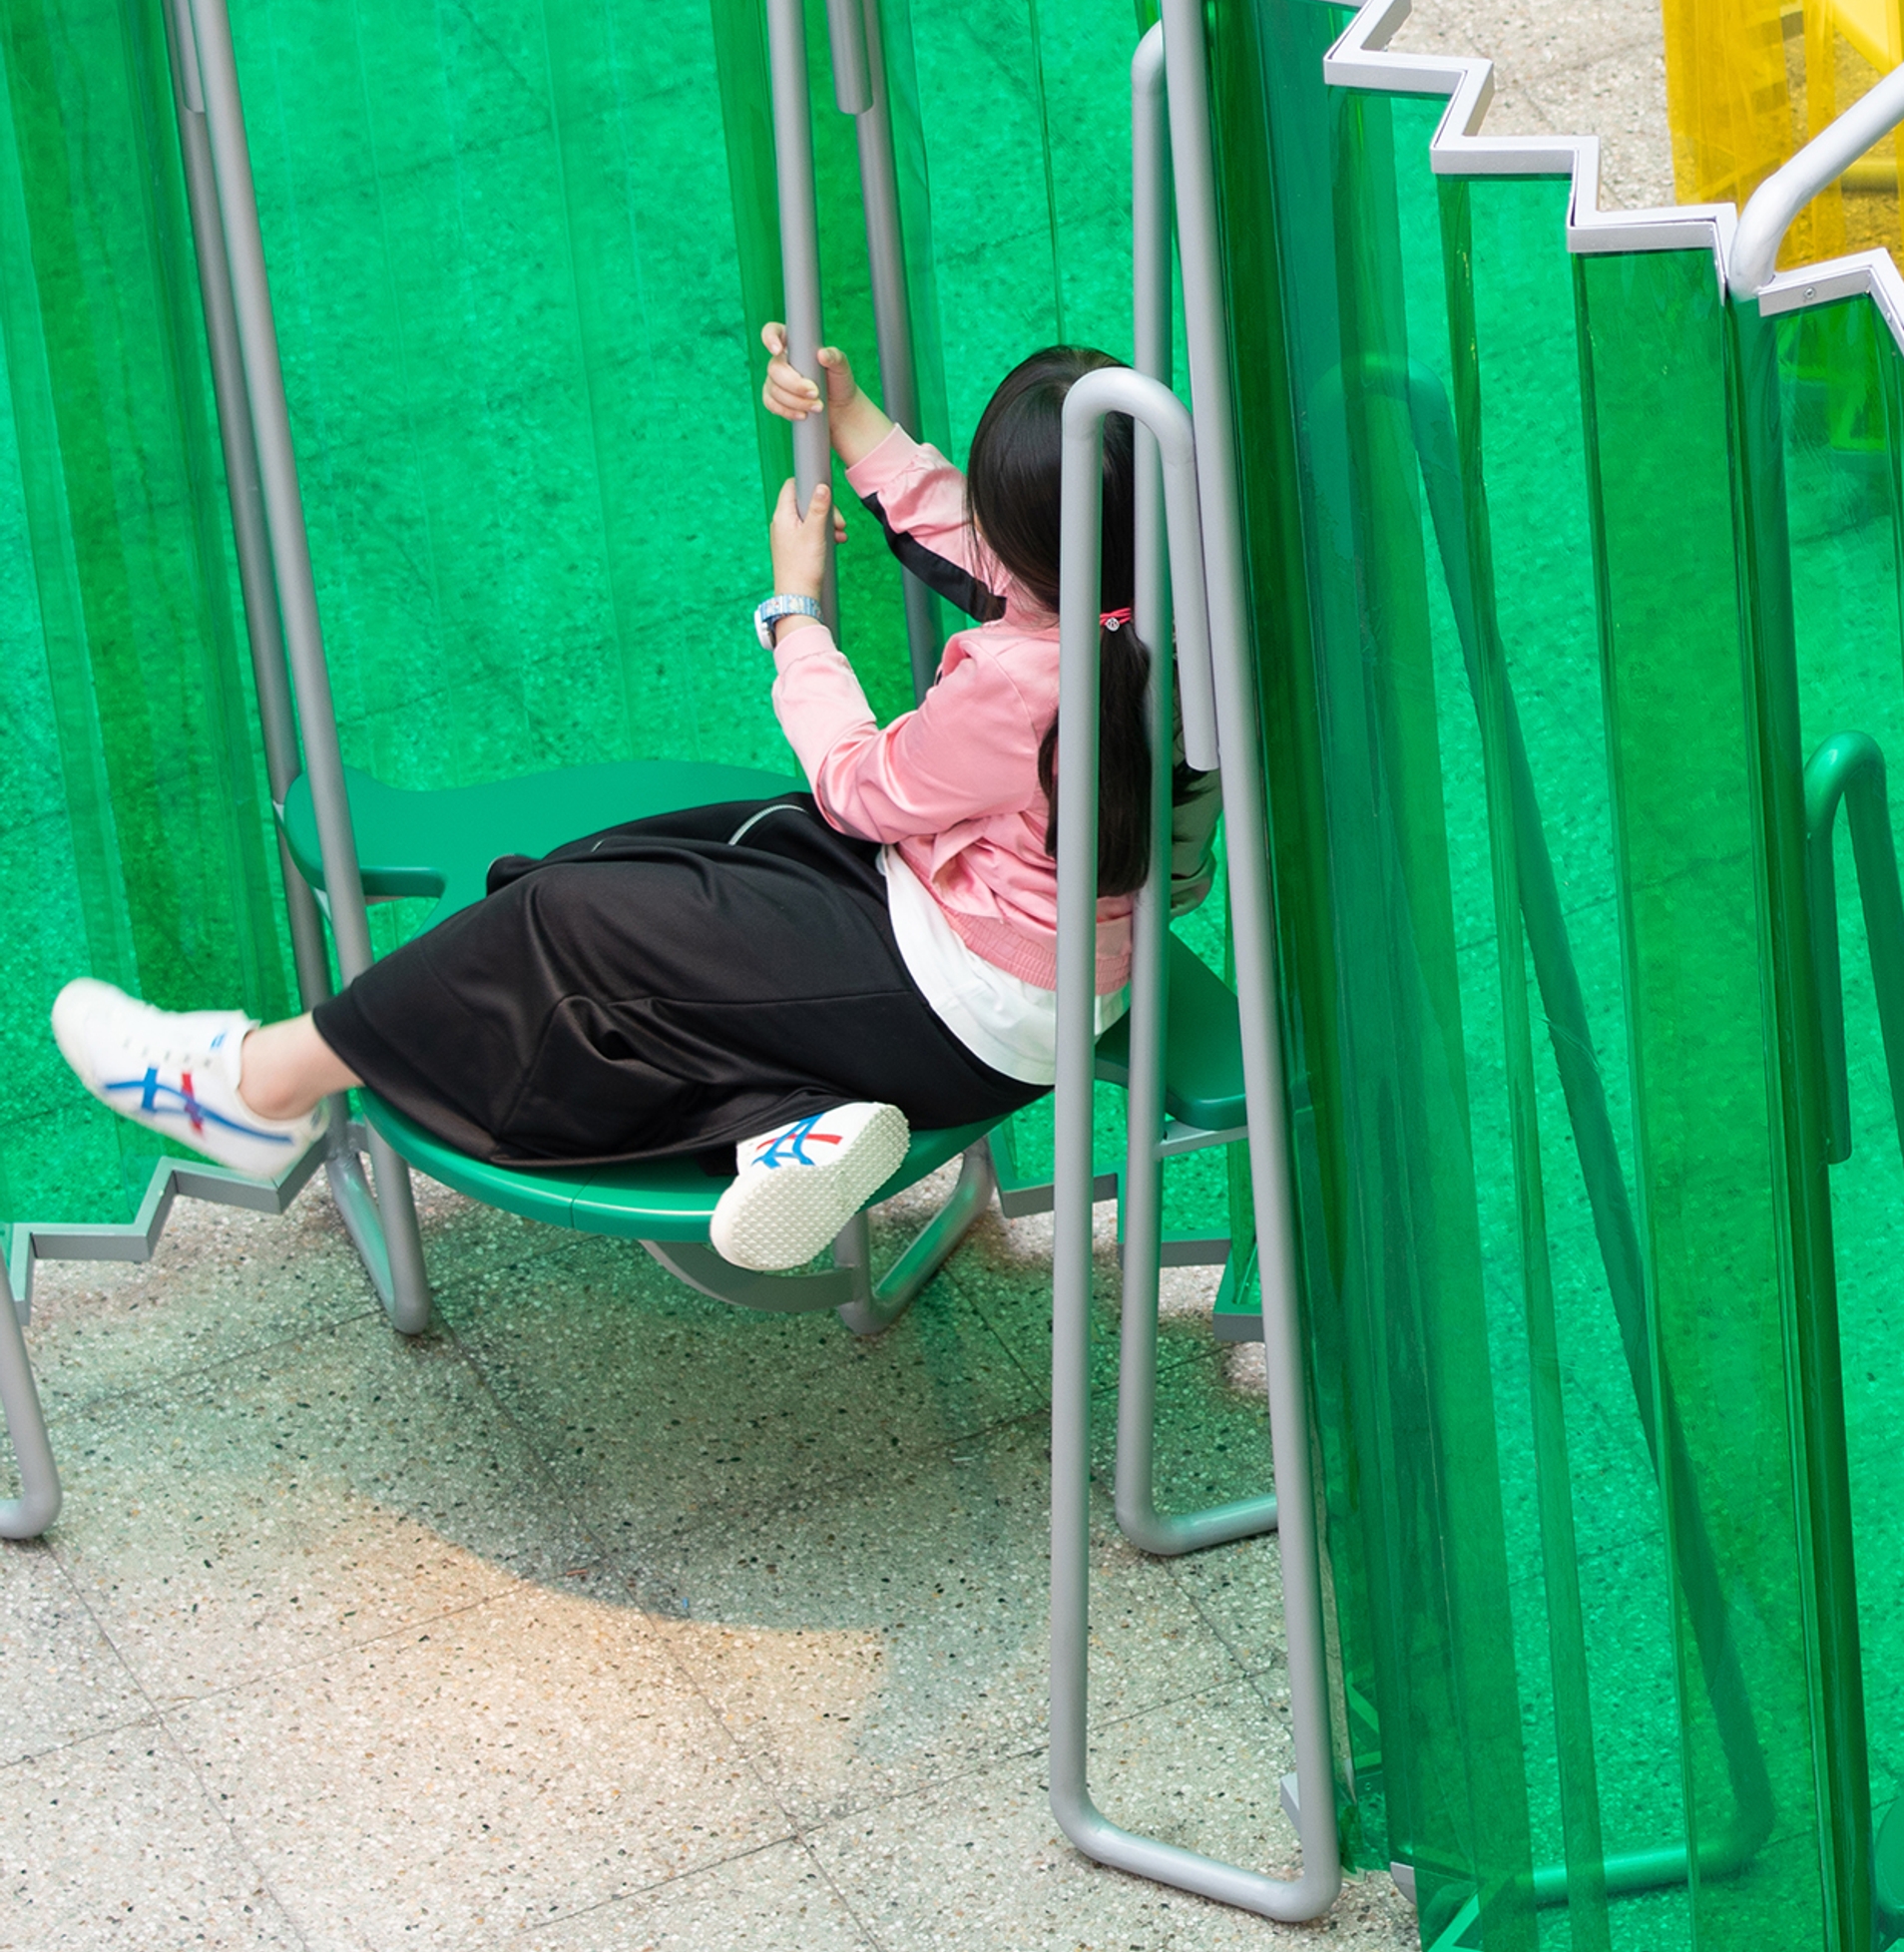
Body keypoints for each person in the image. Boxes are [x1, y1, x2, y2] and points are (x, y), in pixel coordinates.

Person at [49, 332, 1151, 1276]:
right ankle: (782, 1129)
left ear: (1029, 546)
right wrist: (855, 416)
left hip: (960, 999)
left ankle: (255, 1084)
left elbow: (859, 789)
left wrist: (796, 613)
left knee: (564, 921)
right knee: (674, 860)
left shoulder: (1022, 692)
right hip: (1007, 963)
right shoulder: (1160, 603)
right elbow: (1003, 551)